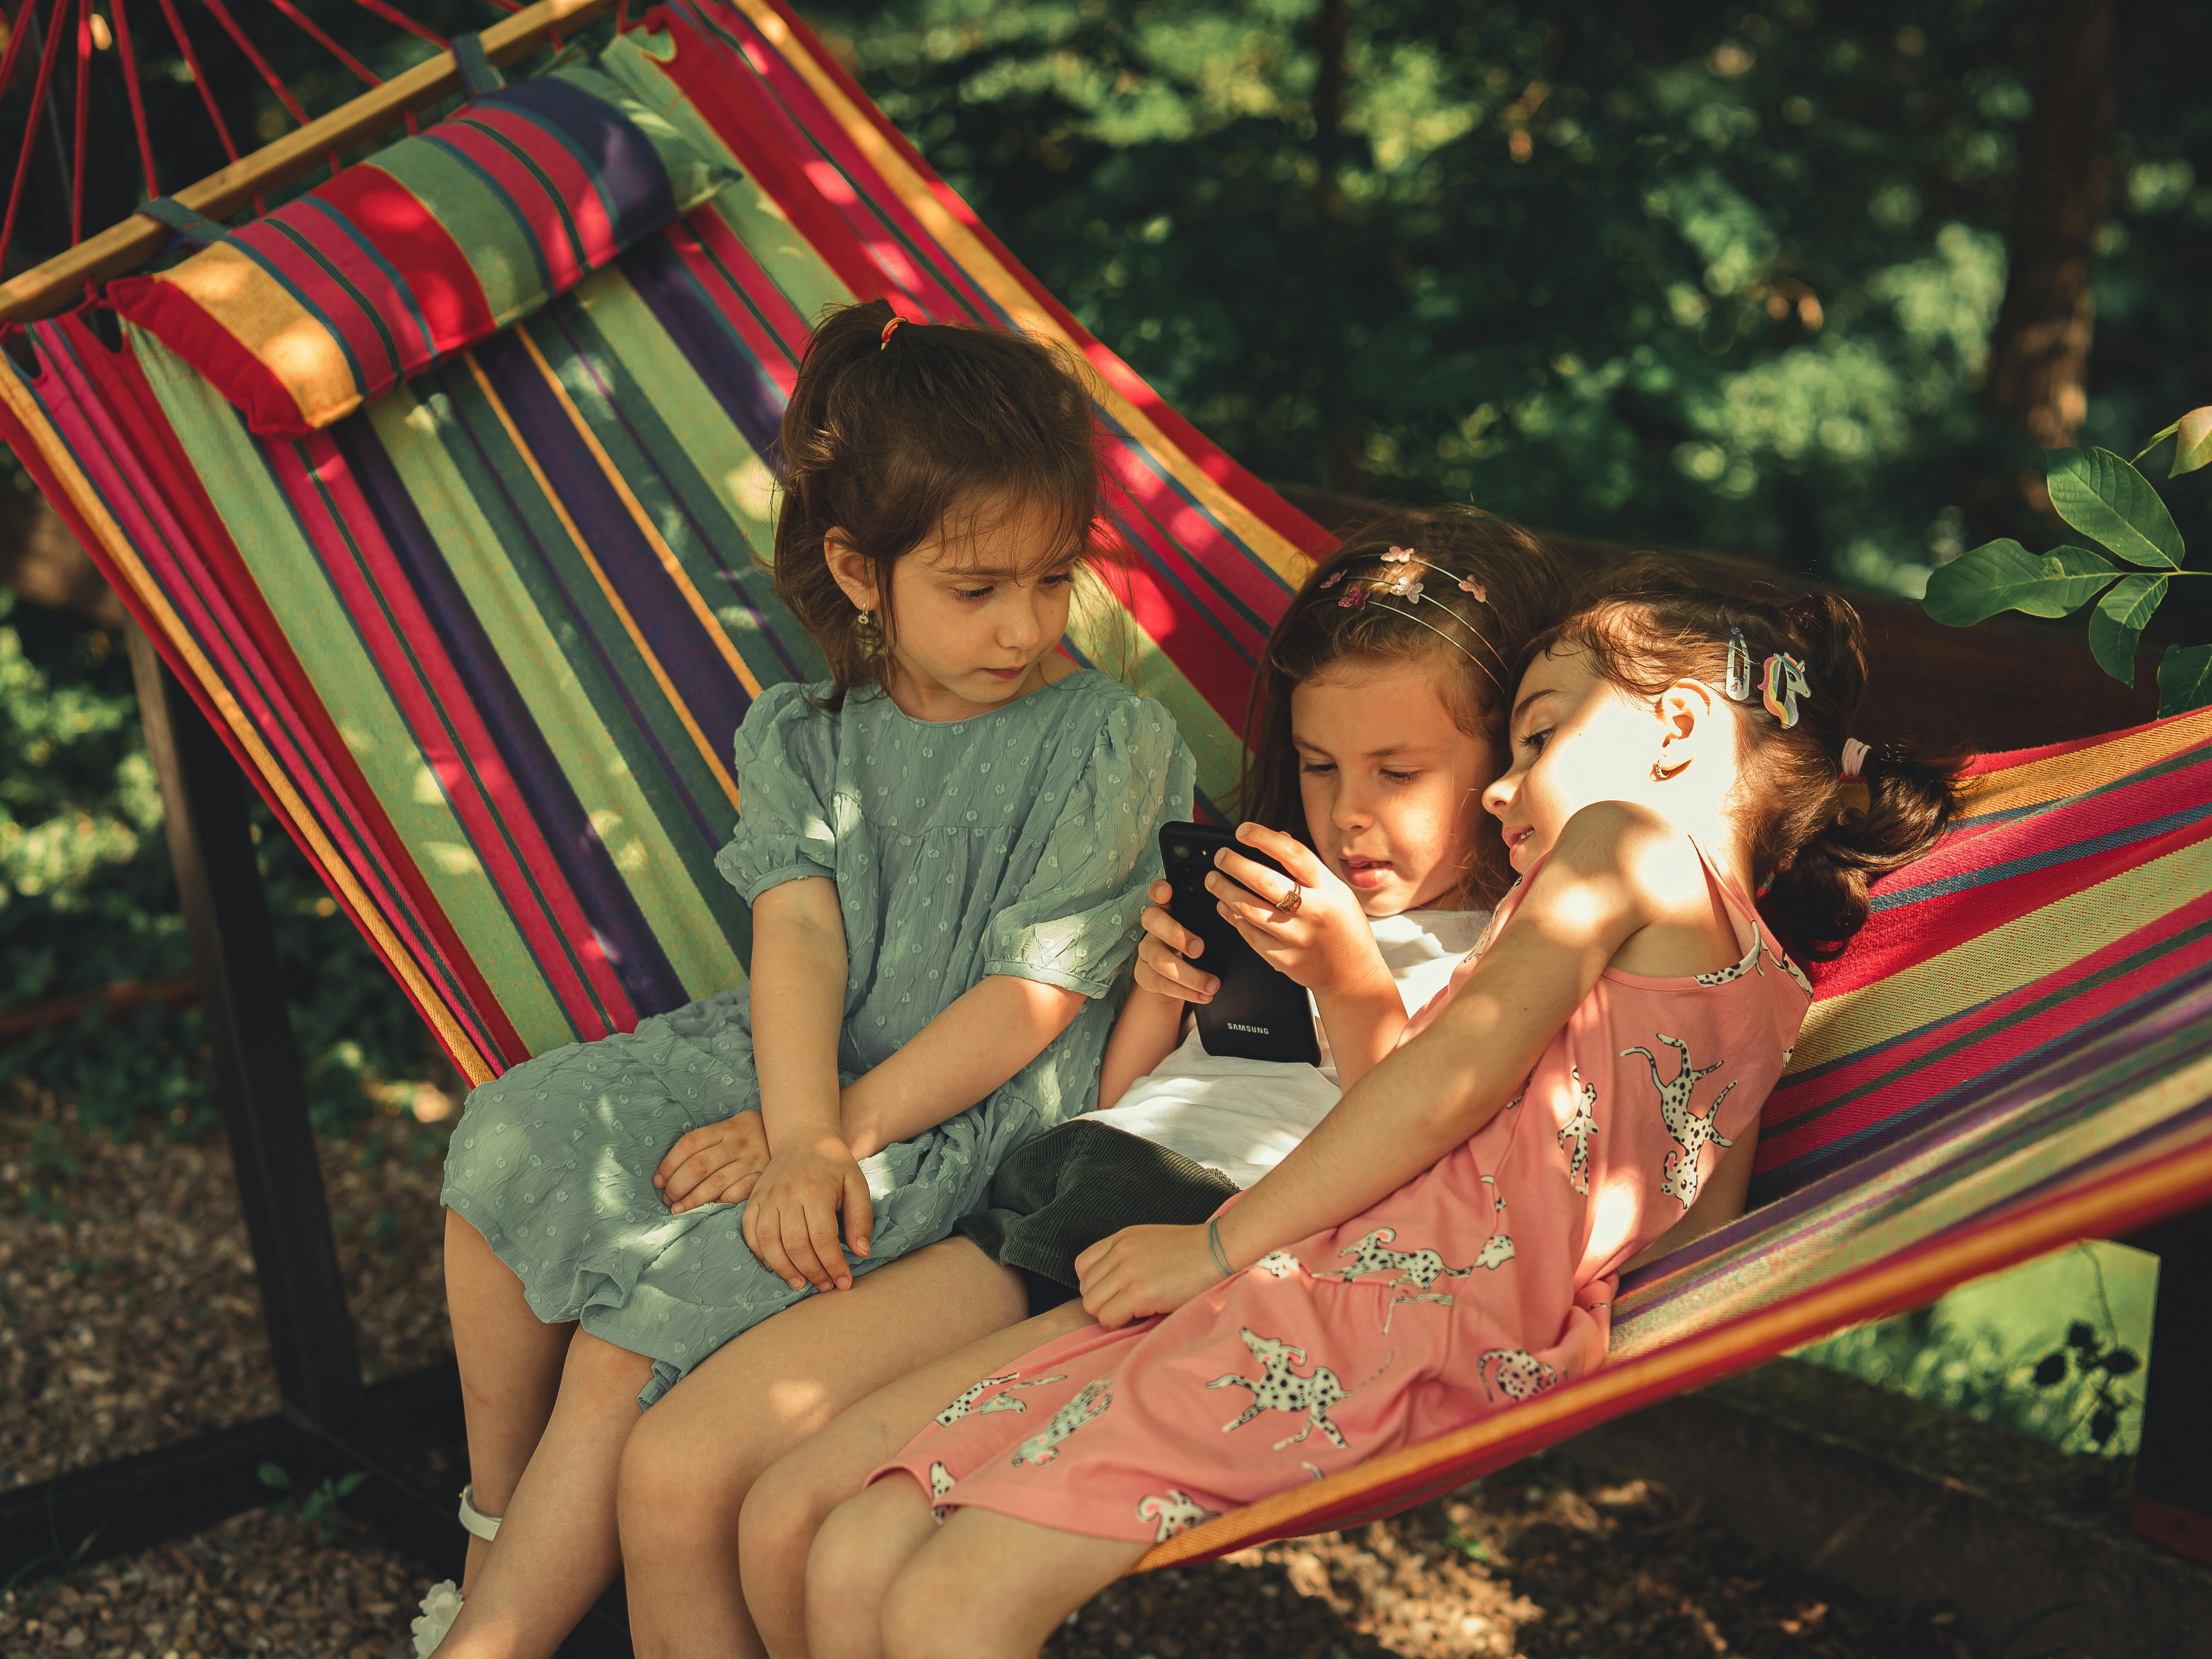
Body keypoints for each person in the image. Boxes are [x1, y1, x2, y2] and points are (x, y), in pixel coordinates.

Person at [801, 564, 1962, 1659]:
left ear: (1677, 731)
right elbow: (1699, 1247)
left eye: (1543, 735)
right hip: (1344, 1291)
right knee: (860, 1550)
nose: (1505, 787)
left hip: (1360, 1312)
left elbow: (1442, 1081)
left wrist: (1215, 1245)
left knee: (944, 1601)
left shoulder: (1626, 840)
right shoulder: (1770, 996)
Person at [413, 298, 1195, 1659]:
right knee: (515, 1137)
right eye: (976, 588)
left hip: (969, 1105)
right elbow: (801, 942)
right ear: (857, 568)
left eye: (1051, 579)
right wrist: (793, 1120)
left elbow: (1038, 1000)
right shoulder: (807, 733)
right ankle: (495, 1525)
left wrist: (824, 1142)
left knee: (629, 1345)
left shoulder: (1107, 743)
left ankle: (494, 1640)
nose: (1024, 625)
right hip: (802, 1058)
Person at [716, 519, 1570, 1658]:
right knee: (788, 1514)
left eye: (1399, 774)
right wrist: (1165, 997)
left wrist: (1355, 983)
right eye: (1321, 767)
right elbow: (1137, 1097)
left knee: (841, 1532)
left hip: (1207, 1229)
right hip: (1083, 1175)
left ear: (1505, 770)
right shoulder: (1287, 892)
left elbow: (1420, 1143)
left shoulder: (1505, 951)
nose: (1351, 811)